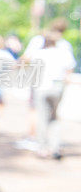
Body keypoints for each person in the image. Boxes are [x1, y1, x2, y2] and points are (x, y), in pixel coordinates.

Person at [20, 18, 74, 141]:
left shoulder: (39, 41)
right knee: (54, 115)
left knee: (36, 110)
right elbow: (69, 68)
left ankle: (34, 138)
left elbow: (26, 58)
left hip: (40, 82)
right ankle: (53, 144)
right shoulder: (65, 44)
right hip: (58, 84)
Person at [31, 30, 75, 159]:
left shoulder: (39, 54)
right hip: (57, 87)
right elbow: (69, 69)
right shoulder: (63, 53)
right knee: (54, 117)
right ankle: (55, 147)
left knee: (42, 118)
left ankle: (42, 148)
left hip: (42, 87)